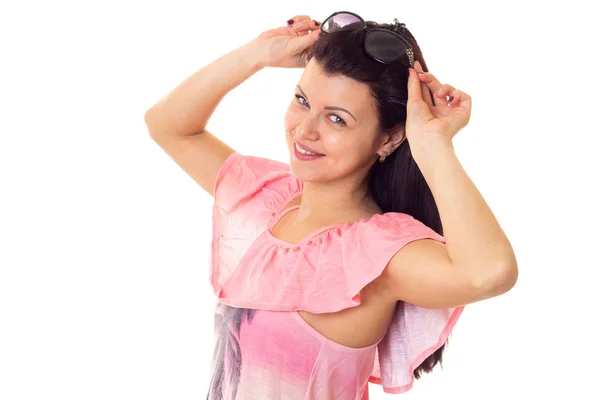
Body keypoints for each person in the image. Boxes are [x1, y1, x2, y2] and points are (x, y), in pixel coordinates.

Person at [144, 11, 519, 400]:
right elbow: (167, 124)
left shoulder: (376, 252)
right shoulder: (270, 200)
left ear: (388, 138)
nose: (305, 130)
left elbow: (490, 273)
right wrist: (257, 54)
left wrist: (431, 141)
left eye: (337, 119)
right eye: (303, 100)